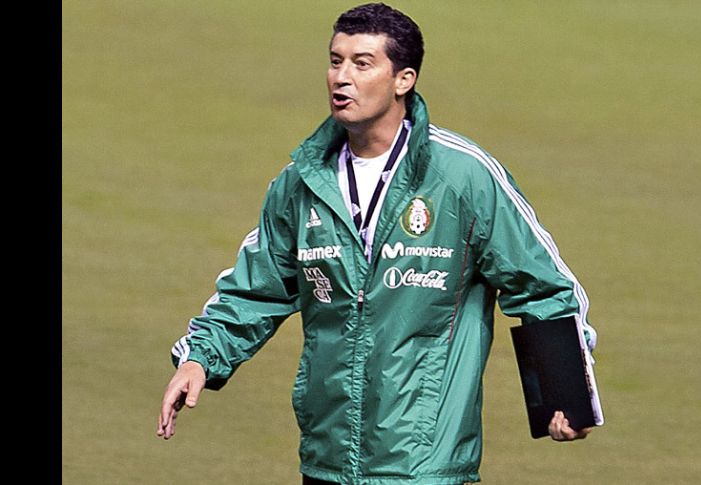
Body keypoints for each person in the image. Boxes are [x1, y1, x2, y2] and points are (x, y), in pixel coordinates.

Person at [157, 3, 597, 484]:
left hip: (425, 465)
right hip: (328, 457)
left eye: (362, 63)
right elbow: (254, 290)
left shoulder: (463, 177)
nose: (341, 77)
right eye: (335, 61)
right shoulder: (301, 182)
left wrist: (567, 396)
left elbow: (542, 286)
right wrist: (200, 358)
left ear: (403, 79)